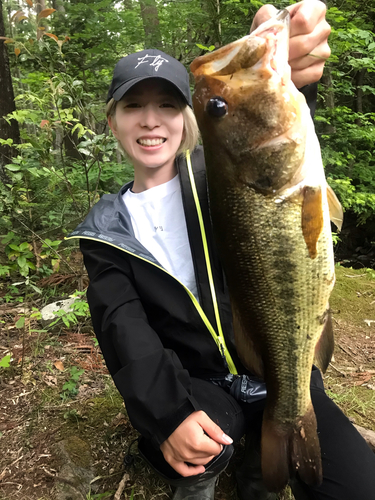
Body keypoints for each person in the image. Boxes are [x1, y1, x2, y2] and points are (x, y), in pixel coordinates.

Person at [67, 2, 375, 499]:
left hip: (278, 364)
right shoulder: (105, 229)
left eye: (168, 105)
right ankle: (223, 463)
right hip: (203, 383)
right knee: (193, 451)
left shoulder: (223, 174)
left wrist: (292, 73)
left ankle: (260, 459)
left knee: (360, 488)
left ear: (188, 119)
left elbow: (270, 140)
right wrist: (169, 415)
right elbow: (123, 326)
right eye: (133, 105)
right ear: (112, 121)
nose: (151, 120)